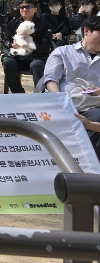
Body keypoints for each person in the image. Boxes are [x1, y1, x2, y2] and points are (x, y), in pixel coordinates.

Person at [42, 15, 100, 159]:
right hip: (63, 101)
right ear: (86, 31)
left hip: (93, 106)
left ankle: (84, 161)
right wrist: (61, 99)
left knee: (96, 116)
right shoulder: (63, 52)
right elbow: (50, 79)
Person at [1, 0, 53, 94]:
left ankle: (40, 94)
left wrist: (30, 49)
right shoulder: (13, 23)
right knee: (8, 63)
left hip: (36, 57)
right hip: (18, 57)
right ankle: (18, 93)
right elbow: (6, 41)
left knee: (36, 65)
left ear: (35, 9)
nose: (24, 9)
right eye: (22, 7)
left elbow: (46, 44)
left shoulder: (44, 24)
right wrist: (12, 44)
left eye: (28, 7)